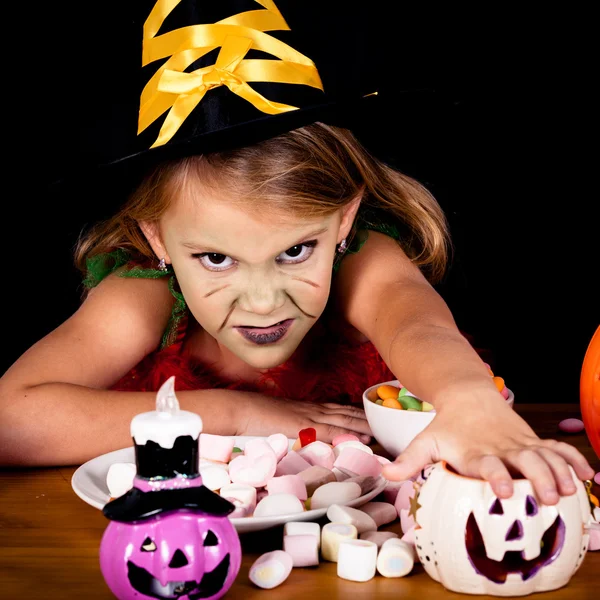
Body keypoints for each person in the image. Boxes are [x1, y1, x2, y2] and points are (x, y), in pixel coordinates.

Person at [0, 0, 594, 508]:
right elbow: (10, 420)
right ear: (157, 238)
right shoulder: (142, 295)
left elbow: (417, 322)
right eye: (215, 259)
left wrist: (468, 400)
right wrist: (232, 416)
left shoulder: (363, 262)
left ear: (344, 219)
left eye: (295, 251)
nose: (263, 301)